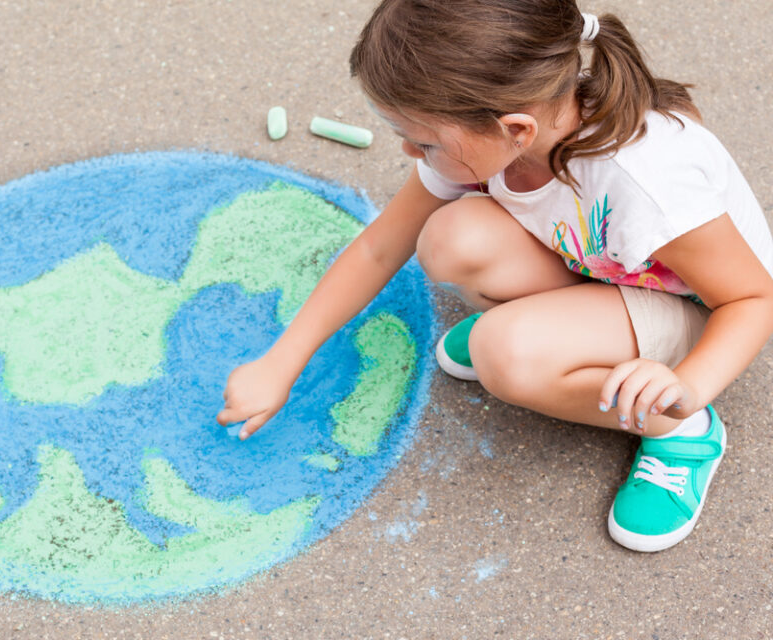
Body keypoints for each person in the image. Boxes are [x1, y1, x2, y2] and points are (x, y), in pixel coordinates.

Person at [217, 0, 773, 552]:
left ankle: (682, 432)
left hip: (700, 311)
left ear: (515, 129)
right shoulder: (506, 134)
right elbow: (378, 250)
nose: (410, 151)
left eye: (425, 141)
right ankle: (555, 331)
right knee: (449, 239)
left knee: (504, 354)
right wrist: (281, 360)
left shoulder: (647, 182)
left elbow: (752, 299)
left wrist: (690, 385)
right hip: (610, 270)